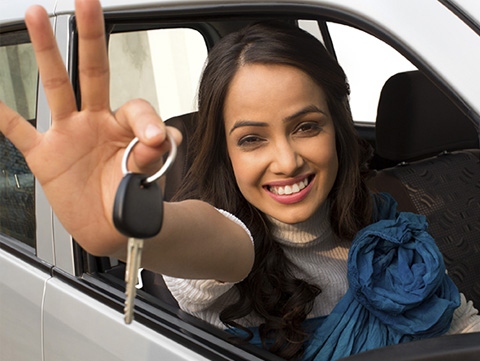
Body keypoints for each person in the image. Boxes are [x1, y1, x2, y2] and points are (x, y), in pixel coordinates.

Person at [0, 1, 478, 360]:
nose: (287, 161)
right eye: (252, 139)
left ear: (338, 127)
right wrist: (125, 225)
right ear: (226, 152)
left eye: (306, 126)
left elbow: (459, 322)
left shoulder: (388, 219)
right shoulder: (233, 250)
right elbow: (201, 236)